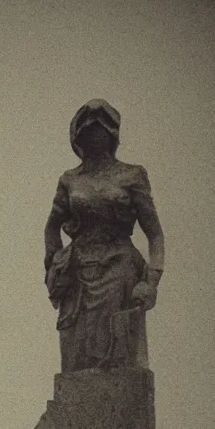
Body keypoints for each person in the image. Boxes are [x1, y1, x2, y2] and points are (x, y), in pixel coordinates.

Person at [44, 99, 165, 372]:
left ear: (112, 135)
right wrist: (55, 265)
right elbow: (52, 226)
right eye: (88, 132)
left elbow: (155, 234)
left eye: (101, 131)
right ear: (79, 137)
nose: (95, 137)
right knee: (76, 363)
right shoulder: (69, 180)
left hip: (118, 266)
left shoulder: (132, 175)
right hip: (78, 272)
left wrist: (152, 281)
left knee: (117, 358)